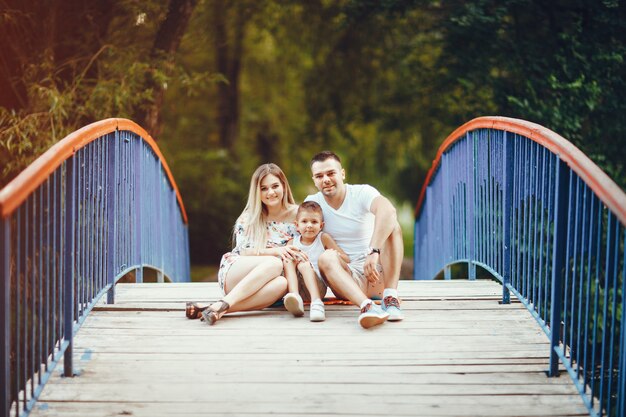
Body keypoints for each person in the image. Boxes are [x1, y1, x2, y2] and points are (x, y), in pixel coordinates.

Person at [185, 163, 304, 325]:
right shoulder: (250, 217)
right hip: (237, 271)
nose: (271, 192)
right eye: (264, 188)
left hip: (269, 280)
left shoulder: (298, 215)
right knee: (275, 263)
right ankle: (226, 301)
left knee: (282, 284)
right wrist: (277, 251)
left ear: (284, 185)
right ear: (257, 192)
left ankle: (216, 307)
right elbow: (244, 251)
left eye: (275, 186)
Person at [305, 151, 404, 329]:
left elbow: (388, 211)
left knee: (393, 225)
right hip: (347, 280)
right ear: (314, 180)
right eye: (319, 176)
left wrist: (373, 251)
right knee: (326, 257)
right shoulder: (313, 203)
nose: (325, 179)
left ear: (342, 173)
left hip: (377, 275)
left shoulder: (361, 192)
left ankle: (390, 298)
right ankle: (367, 307)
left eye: (330, 173)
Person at [281, 201, 350, 322]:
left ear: (321, 225)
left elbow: (345, 258)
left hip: (317, 287)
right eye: (304, 221)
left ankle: (317, 302)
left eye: (314, 222)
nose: (309, 225)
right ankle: (294, 296)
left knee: (304, 264)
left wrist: (331, 255)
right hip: (297, 286)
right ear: (296, 225)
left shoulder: (323, 238)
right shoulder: (292, 243)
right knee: (288, 257)